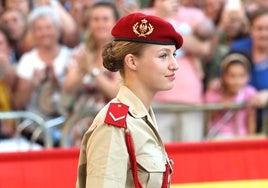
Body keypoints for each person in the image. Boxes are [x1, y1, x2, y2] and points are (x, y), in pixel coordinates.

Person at [76, 12, 183, 187]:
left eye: (174, 55)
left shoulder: (141, 117)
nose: (174, 65)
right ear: (132, 62)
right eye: (163, 55)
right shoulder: (115, 125)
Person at [61, 1, 121, 147]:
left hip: (111, 124)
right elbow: (68, 87)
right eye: (95, 19)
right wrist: (83, 69)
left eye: (105, 19)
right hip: (81, 123)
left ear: (115, 22)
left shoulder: (123, 54)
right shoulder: (82, 51)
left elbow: (115, 92)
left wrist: (92, 71)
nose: (100, 24)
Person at [230, 8, 268, 132]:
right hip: (241, 122)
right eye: (259, 29)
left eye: (267, 29)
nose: (264, 34)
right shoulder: (238, 48)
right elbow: (226, 77)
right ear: (251, 30)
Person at [205, 53, 257, 139]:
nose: (237, 81)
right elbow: (208, 119)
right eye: (232, 76)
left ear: (248, 76)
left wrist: (251, 141)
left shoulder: (250, 93)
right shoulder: (213, 93)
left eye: (241, 76)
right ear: (223, 76)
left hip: (241, 138)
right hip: (217, 138)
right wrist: (219, 106)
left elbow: (251, 121)